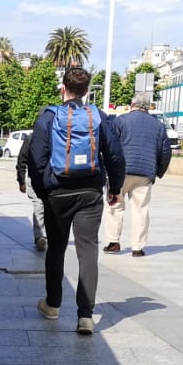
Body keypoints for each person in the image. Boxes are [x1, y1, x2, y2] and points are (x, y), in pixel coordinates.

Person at [27, 65, 126, 334]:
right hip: (90, 193)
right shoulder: (99, 117)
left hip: (58, 192)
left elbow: (36, 158)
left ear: (64, 88)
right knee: (88, 250)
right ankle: (85, 315)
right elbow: (115, 155)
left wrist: (43, 188)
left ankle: (53, 304)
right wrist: (115, 187)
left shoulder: (48, 117)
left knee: (56, 248)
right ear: (86, 91)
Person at [102, 96, 171, 256]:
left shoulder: (120, 121)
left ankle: (113, 241)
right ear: (148, 108)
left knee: (115, 205)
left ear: (132, 105)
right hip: (145, 173)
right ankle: (137, 247)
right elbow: (166, 151)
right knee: (141, 209)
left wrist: (108, 169)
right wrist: (158, 171)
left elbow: (111, 146)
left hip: (121, 172)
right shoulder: (158, 126)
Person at [13, 130, 48, 251]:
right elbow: (22, 160)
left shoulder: (31, 137)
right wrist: (21, 180)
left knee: (39, 207)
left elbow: (21, 159)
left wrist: (21, 180)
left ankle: (40, 236)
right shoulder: (56, 135)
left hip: (35, 177)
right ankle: (41, 236)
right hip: (48, 178)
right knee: (44, 206)